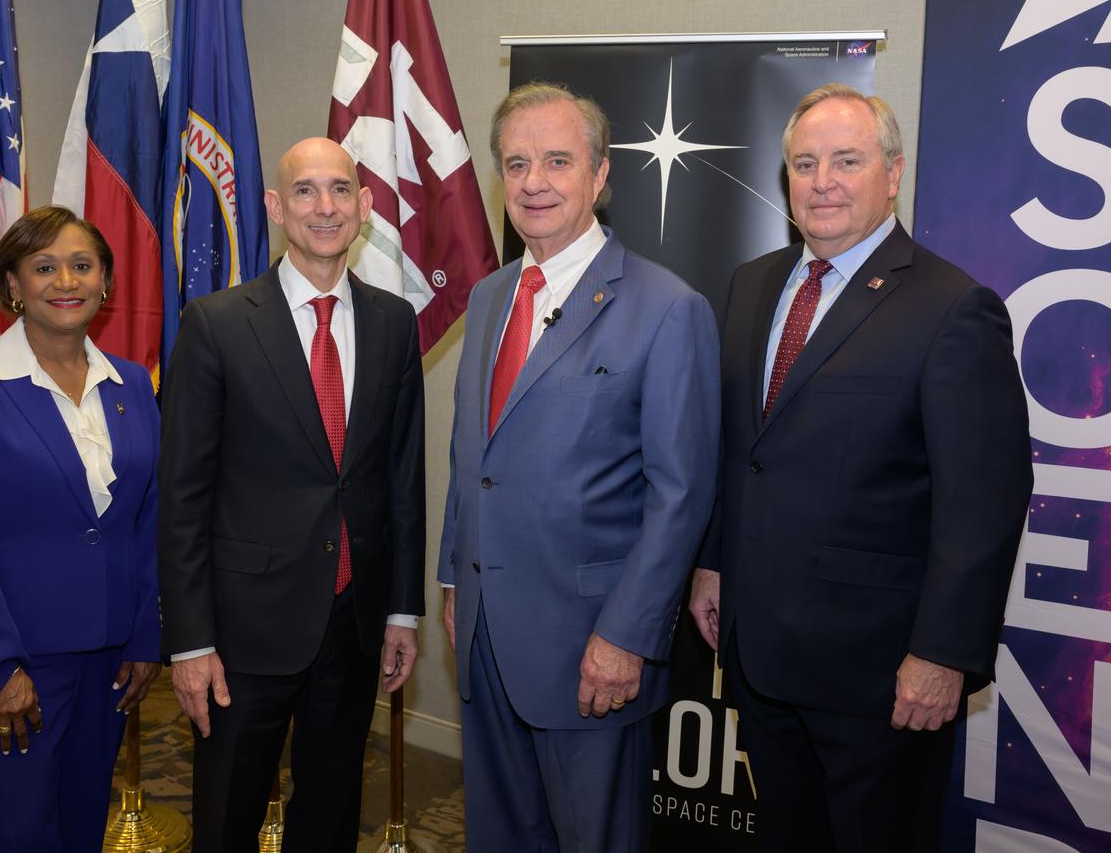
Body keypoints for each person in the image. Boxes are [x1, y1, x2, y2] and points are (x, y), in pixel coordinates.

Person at [688, 84, 1032, 851]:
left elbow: (984, 502)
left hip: (879, 677)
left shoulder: (953, 307)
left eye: (847, 160)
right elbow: (744, 450)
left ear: (894, 172)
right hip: (761, 652)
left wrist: (944, 652)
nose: (822, 181)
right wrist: (713, 564)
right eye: (804, 163)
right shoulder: (752, 284)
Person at [438, 82, 720, 852]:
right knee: (500, 834)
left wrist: (626, 635)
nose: (535, 181)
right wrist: (455, 579)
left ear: (600, 177)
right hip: (487, 632)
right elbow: (474, 456)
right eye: (518, 163)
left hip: (591, 643)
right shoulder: (493, 295)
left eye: (558, 160)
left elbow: (680, 494)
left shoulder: (667, 308)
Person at [157, 137, 426, 852]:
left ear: (366, 207)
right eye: (304, 191)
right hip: (243, 632)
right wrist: (190, 640)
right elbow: (182, 495)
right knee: (226, 816)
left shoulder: (395, 323)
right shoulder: (215, 325)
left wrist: (401, 608)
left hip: (352, 619)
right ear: (276, 207)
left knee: (332, 811)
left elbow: (400, 477)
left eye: (340, 189)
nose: (325, 206)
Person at [0, 206, 162, 853]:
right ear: (12, 286)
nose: (66, 280)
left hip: (109, 655)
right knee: (22, 831)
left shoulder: (132, 385)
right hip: (17, 661)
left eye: (82, 265)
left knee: (84, 823)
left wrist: (145, 633)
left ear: (105, 282)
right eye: (44, 266)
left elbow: (146, 517)